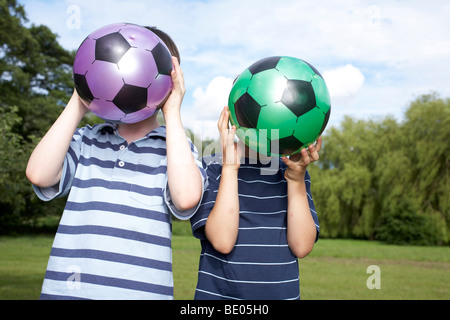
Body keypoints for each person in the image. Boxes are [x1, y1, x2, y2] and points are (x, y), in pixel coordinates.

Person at [26, 27, 206, 300]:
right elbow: (39, 174)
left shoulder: (175, 149)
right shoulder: (88, 139)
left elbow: (186, 199)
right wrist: (82, 94)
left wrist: (172, 111)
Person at [190, 106, 320, 300]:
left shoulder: (292, 172)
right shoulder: (213, 167)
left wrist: (296, 180)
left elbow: (301, 246)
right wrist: (230, 169)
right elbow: (223, 241)